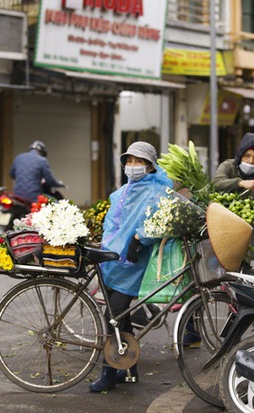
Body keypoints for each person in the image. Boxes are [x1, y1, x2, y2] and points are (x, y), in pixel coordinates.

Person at [90, 141, 172, 393]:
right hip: (111, 259)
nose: (133, 166)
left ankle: (109, 372)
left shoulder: (157, 192)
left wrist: (138, 239)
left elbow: (160, 223)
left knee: (112, 315)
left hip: (133, 262)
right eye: (129, 161)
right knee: (120, 316)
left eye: (139, 162)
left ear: (150, 166)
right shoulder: (123, 192)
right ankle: (129, 368)